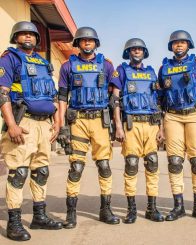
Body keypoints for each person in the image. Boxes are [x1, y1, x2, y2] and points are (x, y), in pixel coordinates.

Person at [0, 21, 62, 241]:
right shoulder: (9, 58)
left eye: (31, 35)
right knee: (19, 173)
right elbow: (2, 93)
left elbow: (52, 96)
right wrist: (12, 125)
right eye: (23, 34)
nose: (28, 37)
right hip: (23, 123)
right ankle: (14, 223)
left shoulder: (44, 63)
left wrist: (56, 121)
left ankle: (39, 216)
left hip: (44, 124)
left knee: (41, 171)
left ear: (37, 39)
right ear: (15, 37)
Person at [57, 27, 119, 229]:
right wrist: (62, 124)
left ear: (96, 43)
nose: (87, 43)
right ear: (78, 44)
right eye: (83, 40)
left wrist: (117, 122)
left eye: (90, 40)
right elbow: (62, 98)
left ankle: (105, 210)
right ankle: (71, 213)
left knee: (104, 166)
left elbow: (115, 94)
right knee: (76, 167)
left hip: (100, 120)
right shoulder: (67, 66)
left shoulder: (107, 65)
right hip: (78, 121)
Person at [158, 30, 196, 221]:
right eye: (175, 43)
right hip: (172, 116)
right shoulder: (164, 68)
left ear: (188, 45)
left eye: (182, 42)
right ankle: (178, 207)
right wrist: (161, 127)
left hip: (195, 115)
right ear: (171, 46)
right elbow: (160, 100)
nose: (179, 45)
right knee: (175, 162)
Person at [111, 38, 165, 223]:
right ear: (128, 52)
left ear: (144, 52)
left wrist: (161, 128)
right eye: (133, 49)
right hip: (131, 125)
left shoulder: (151, 73)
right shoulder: (122, 71)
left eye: (139, 49)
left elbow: (158, 102)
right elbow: (115, 100)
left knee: (152, 164)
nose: (136, 51)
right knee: (132, 165)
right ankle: (131, 210)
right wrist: (118, 125)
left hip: (151, 125)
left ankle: (152, 208)